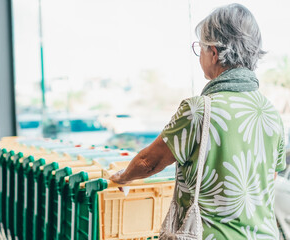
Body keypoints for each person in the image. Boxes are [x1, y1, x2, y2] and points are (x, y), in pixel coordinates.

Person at [110, 3, 286, 239]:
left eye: (200, 48)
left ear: (214, 53)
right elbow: (269, 178)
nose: (200, 55)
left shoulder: (199, 109)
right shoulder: (271, 113)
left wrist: (122, 177)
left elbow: (148, 161)